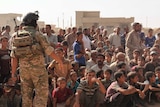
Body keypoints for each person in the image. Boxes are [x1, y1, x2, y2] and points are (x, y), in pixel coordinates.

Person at [10, 11, 62, 107]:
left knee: (26, 97)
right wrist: (60, 61)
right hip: (38, 72)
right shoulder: (38, 35)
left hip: (24, 72)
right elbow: (49, 51)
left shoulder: (15, 36)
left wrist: (13, 73)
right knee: (41, 96)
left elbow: (14, 57)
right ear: (34, 23)